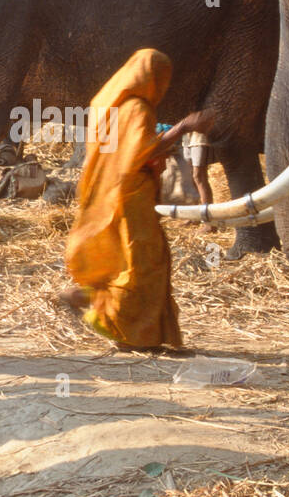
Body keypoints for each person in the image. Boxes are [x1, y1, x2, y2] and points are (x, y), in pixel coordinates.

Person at [62, 49, 212, 353]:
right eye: (160, 79)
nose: (162, 86)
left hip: (112, 192)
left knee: (127, 260)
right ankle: (114, 320)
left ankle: (125, 327)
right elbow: (142, 152)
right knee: (144, 263)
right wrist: (184, 127)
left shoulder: (109, 105)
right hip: (133, 194)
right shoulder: (137, 109)